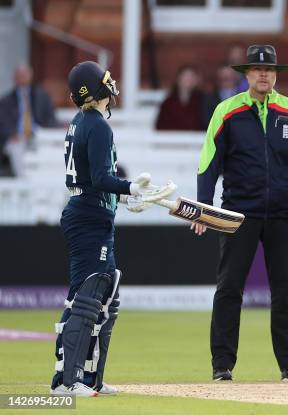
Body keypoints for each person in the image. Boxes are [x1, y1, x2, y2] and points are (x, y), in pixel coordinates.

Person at [193, 44, 288, 382]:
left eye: (269, 70)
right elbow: (208, 163)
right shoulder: (227, 111)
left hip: (282, 215)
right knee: (229, 288)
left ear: (276, 74)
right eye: (257, 69)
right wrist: (203, 209)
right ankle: (221, 365)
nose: (264, 74)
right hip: (238, 215)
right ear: (247, 74)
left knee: (285, 290)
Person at [50, 61, 174, 397]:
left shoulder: (82, 121)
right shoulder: (97, 125)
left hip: (93, 213)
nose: (112, 84)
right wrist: (131, 187)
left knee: (106, 299)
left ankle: (92, 379)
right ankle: (66, 381)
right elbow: (101, 179)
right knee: (87, 298)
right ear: (97, 89)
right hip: (89, 216)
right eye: (106, 81)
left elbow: (94, 180)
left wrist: (123, 198)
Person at [0, 63, 60, 176]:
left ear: (30, 76)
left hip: (38, 136)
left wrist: (47, 132)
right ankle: (25, 184)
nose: (22, 77)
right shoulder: (5, 101)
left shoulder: (42, 96)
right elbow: (2, 124)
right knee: (16, 149)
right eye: (19, 74)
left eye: (25, 74)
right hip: (17, 139)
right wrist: (12, 134)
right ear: (14, 77)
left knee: (52, 150)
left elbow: (51, 118)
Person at [155, 65, 203, 131]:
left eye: (191, 77)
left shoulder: (202, 101)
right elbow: (160, 127)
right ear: (178, 79)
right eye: (185, 77)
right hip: (172, 139)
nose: (188, 80)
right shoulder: (168, 103)